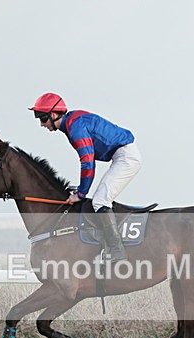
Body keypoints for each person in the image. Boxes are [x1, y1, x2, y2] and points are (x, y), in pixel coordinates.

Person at [29, 92, 141, 262]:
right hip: (121, 154)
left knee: (100, 201)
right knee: (99, 198)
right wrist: (81, 190)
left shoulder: (75, 128)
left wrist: (81, 194)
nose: (41, 124)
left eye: (42, 118)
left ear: (54, 114)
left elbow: (88, 162)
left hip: (126, 156)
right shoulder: (71, 122)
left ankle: (117, 251)